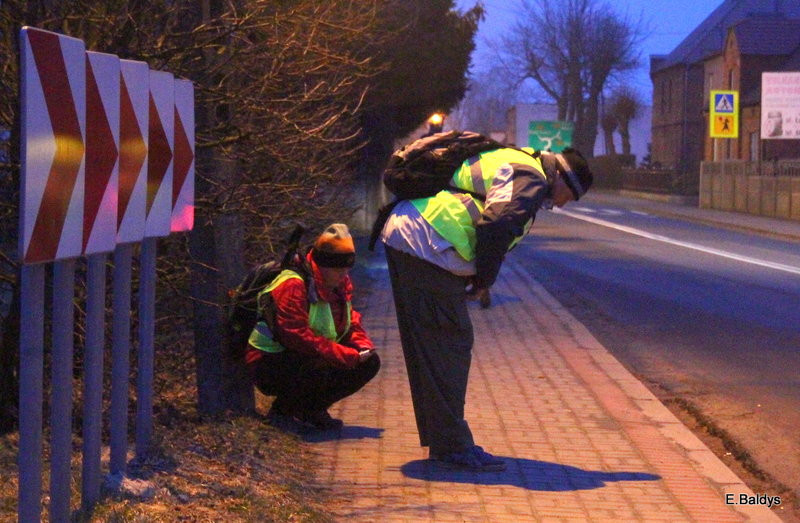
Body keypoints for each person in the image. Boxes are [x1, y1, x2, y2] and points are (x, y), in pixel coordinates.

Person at [380, 143, 593, 471]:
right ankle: (451, 446)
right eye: (570, 197)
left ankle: (445, 442)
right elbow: (497, 224)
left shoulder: (518, 161)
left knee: (436, 346)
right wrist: (484, 280)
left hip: (417, 239)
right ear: (564, 179)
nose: (563, 204)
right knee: (450, 344)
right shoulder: (532, 177)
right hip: (427, 243)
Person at [246, 223, 380, 432]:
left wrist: (362, 346)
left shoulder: (340, 284)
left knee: (369, 363)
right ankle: (282, 412)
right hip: (269, 360)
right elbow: (296, 336)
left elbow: (349, 319)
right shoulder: (294, 284)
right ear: (322, 265)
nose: (344, 274)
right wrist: (345, 354)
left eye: (347, 268)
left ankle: (312, 410)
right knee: (317, 366)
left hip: (305, 354)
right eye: (338, 269)